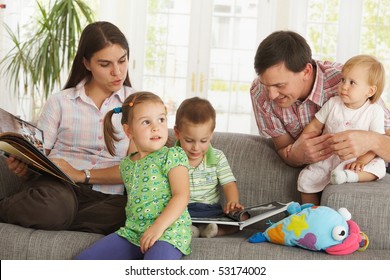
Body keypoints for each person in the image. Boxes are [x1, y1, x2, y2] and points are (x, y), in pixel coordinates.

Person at [0, 21, 136, 234]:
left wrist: (82, 174)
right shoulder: (60, 102)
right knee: (57, 205)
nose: (117, 71)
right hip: (58, 188)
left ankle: (52, 216)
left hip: (108, 198)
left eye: (122, 60)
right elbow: (40, 157)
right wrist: (25, 169)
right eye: (104, 64)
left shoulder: (136, 103)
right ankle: (45, 211)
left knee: (133, 213)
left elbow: (138, 167)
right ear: (87, 63)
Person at [250, 30, 390, 170]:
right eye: (266, 85)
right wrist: (295, 155)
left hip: (361, 168)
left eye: (279, 85)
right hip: (320, 169)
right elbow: (284, 148)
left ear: (306, 71)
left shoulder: (348, 83)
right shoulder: (260, 93)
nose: (271, 95)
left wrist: (372, 141)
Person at [75, 92, 192, 260]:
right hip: (133, 233)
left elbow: (182, 195)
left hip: (168, 232)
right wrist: (80, 174)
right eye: (146, 122)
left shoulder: (173, 155)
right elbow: (111, 174)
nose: (156, 127)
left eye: (161, 119)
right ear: (128, 130)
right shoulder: (127, 165)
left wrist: (157, 228)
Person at [297, 55, 387, 205]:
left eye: (352, 83)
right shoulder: (333, 104)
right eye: (343, 80)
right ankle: (311, 211)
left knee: (377, 168)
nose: (344, 86)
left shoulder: (374, 111)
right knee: (307, 178)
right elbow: (315, 126)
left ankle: (349, 176)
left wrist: (361, 161)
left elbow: (375, 145)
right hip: (330, 156)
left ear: (370, 91)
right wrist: (304, 140)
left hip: (358, 159)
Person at [174, 97, 246, 238]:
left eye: (203, 141)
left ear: (211, 134)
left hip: (211, 210)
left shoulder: (218, 157)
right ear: (177, 133)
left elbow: (229, 184)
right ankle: (190, 230)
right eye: (189, 141)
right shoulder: (171, 157)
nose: (196, 147)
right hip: (181, 209)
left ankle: (212, 230)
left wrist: (233, 202)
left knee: (243, 217)